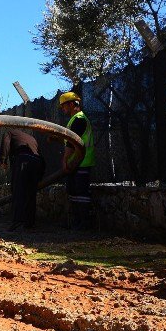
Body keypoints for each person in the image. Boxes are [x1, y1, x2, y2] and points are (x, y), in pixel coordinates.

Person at [59, 91, 95, 229]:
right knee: (74, 191)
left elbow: (72, 143)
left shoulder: (79, 119)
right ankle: (77, 221)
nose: (63, 109)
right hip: (77, 162)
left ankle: (84, 222)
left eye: (64, 106)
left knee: (81, 192)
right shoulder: (74, 119)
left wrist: (65, 160)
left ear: (72, 104)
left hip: (81, 162)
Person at [0, 129, 46, 230]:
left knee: (18, 191)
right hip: (38, 162)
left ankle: (18, 221)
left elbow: (5, 143)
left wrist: (3, 160)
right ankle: (30, 223)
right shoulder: (31, 138)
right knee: (31, 193)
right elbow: (39, 154)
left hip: (23, 160)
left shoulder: (9, 132)